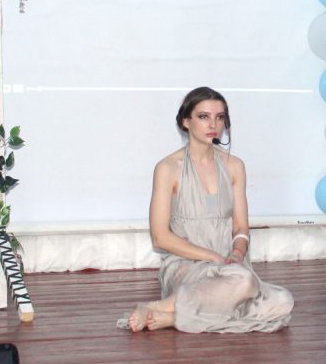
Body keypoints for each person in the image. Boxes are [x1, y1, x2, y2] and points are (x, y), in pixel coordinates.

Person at [119, 87, 294, 332]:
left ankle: (170, 315)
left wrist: (237, 253)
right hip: (186, 266)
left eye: (219, 117)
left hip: (229, 267)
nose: (213, 124)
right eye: (203, 116)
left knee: (283, 301)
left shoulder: (234, 166)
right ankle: (163, 306)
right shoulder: (168, 168)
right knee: (244, 282)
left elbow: (241, 227)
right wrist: (213, 258)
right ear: (186, 121)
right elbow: (160, 237)